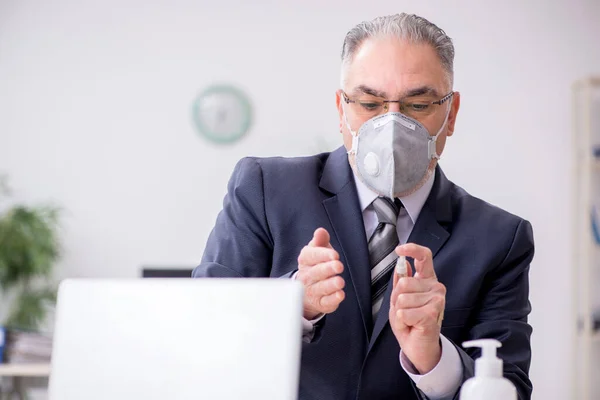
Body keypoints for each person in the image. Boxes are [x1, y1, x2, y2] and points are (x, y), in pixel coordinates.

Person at [193, 13, 533, 400]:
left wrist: (434, 359)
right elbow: (204, 333)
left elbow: (513, 390)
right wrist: (294, 305)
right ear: (341, 109)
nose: (391, 126)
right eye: (369, 103)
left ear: (451, 114)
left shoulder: (499, 239)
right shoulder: (265, 189)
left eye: (418, 105)